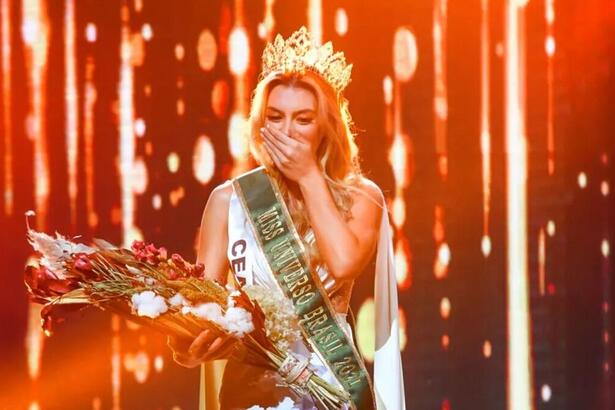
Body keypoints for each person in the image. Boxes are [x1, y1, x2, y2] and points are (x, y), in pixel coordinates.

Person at [169, 27, 405, 410]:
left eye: (303, 119)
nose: (286, 132)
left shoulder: (362, 196)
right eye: (275, 117)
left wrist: (309, 175)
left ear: (326, 125)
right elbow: (204, 309)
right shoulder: (228, 200)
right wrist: (187, 343)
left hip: (332, 386)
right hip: (250, 391)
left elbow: (344, 263)